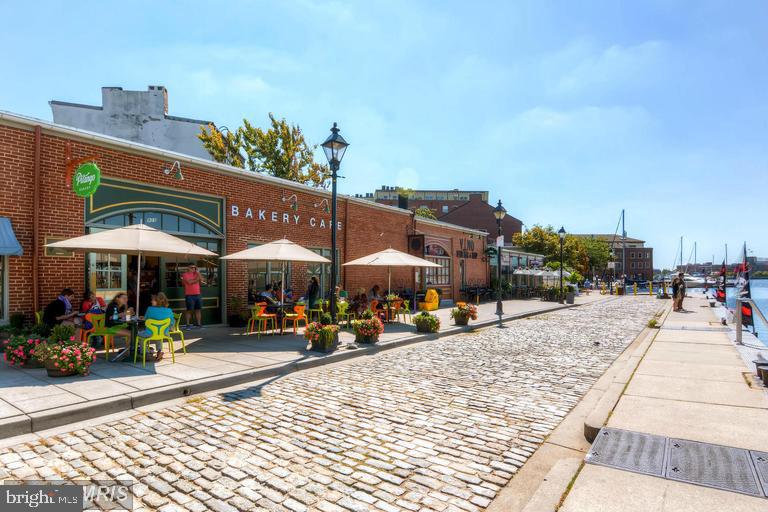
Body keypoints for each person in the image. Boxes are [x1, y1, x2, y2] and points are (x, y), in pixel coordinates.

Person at [137, 292, 174, 361]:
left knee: (139, 335)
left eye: (152, 300)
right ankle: (159, 351)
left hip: (150, 333)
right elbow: (172, 322)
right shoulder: (169, 310)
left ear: (157, 301)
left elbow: (146, 319)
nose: (151, 301)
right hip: (164, 333)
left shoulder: (150, 309)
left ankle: (146, 353)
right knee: (158, 333)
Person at [181, 264, 204, 329]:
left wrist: (199, 274)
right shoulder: (185, 274)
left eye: (194, 267)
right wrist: (197, 279)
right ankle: (188, 324)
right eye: (191, 267)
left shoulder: (197, 274)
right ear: (188, 268)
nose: (193, 269)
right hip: (189, 295)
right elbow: (189, 282)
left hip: (198, 294)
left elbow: (202, 281)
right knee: (189, 310)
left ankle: (199, 324)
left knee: (198, 310)